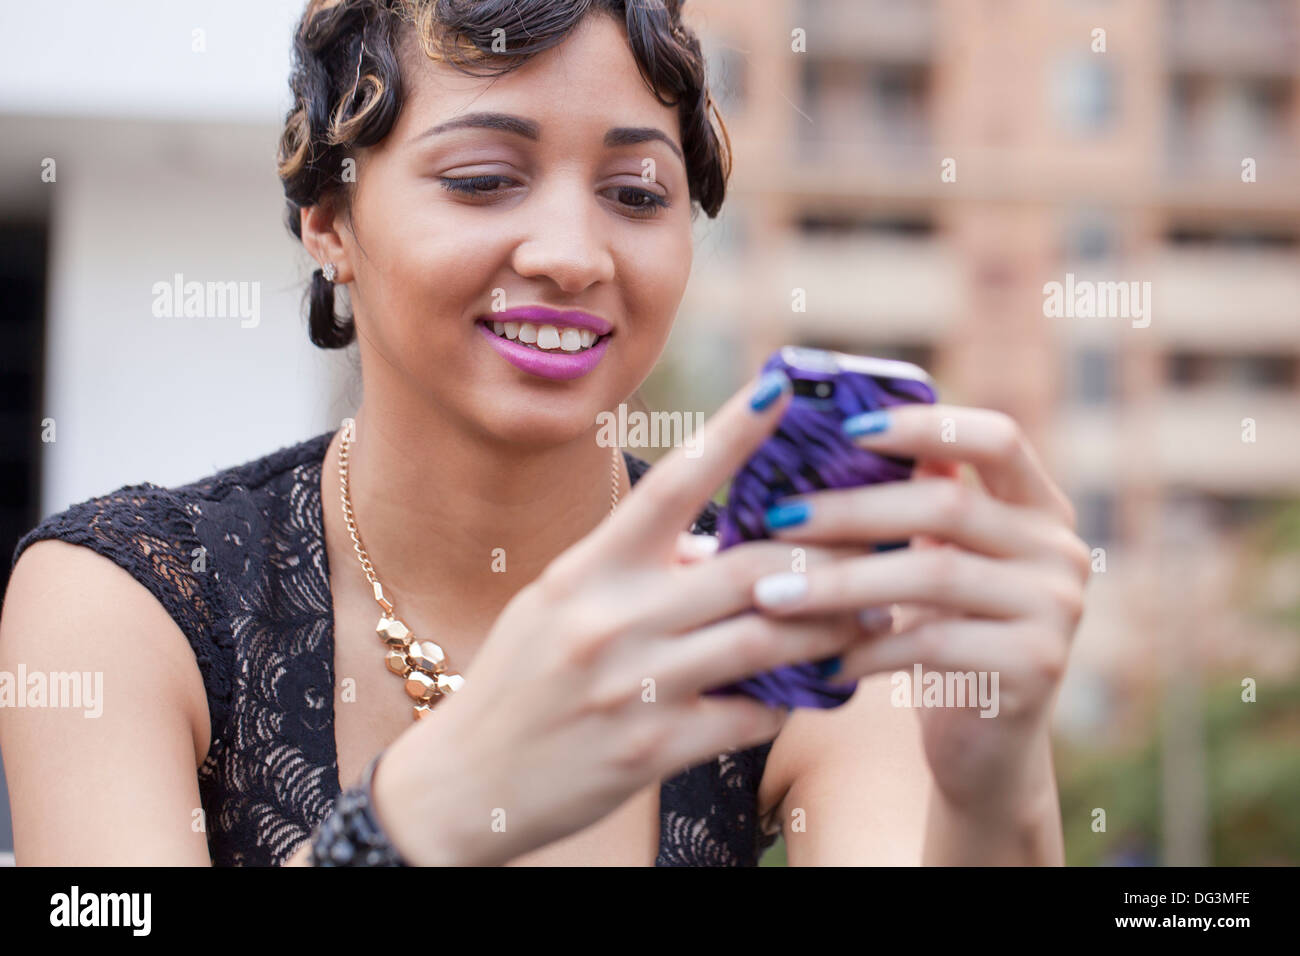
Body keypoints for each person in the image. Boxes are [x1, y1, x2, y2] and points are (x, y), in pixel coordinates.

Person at [0, 0, 1089, 866]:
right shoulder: (124, 597)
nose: (572, 253)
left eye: (635, 191)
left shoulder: (783, 610)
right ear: (327, 219)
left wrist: (996, 792)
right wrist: (422, 814)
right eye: (483, 179)